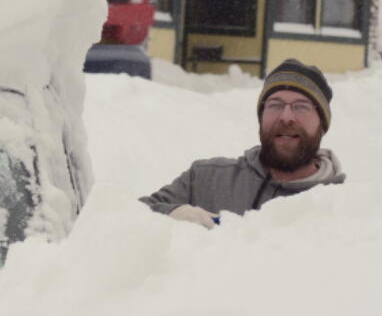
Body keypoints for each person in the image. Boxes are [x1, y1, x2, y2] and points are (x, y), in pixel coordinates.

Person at [141, 59, 346, 228]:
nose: (286, 117)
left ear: (322, 123)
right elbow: (126, 216)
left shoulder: (343, 206)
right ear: (261, 117)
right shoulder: (206, 179)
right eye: (275, 105)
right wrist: (172, 213)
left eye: (301, 107)